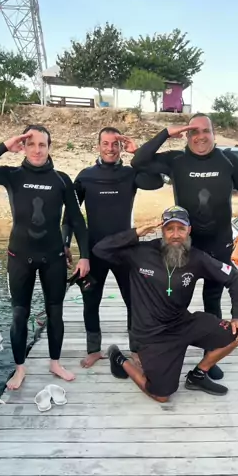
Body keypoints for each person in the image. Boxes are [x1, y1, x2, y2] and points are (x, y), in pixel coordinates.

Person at [130, 112, 238, 380]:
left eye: (205, 131)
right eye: (193, 132)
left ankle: (209, 357)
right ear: (186, 136)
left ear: (214, 133)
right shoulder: (176, 160)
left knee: (212, 298)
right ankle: (165, 344)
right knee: (175, 296)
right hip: (185, 245)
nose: (200, 136)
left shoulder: (229, 161)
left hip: (218, 242)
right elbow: (138, 160)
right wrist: (167, 132)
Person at [0, 125, 89, 390]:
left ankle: (55, 363)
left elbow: (77, 220)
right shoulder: (11, 175)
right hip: (19, 257)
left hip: (54, 257)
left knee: (56, 312)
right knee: (19, 315)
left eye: (42, 144)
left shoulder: (61, 180)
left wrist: (85, 257)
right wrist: (4, 146)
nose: (37, 150)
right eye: (30, 144)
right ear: (22, 147)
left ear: (49, 147)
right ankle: (20, 369)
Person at [93, 205, 238, 401]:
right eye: (169, 229)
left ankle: (198, 375)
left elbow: (234, 277)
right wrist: (136, 233)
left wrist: (237, 316)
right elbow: (100, 249)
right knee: (161, 395)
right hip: (152, 334)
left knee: (237, 334)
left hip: (182, 323)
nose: (175, 235)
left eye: (181, 229)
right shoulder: (140, 252)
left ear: (189, 230)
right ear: (162, 230)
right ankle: (119, 358)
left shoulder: (197, 258)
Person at [64, 126, 164, 368]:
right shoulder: (85, 176)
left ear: (121, 147)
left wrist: (137, 153)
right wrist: (66, 243)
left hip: (126, 249)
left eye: (115, 144)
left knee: (134, 302)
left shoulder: (130, 174)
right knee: (91, 301)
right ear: (98, 146)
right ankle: (93, 349)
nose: (110, 148)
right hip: (94, 250)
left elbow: (157, 181)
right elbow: (71, 215)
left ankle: (136, 350)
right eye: (105, 143)